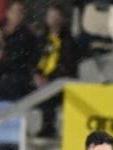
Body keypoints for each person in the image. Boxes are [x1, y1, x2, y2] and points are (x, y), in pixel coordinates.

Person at [32, 3, 78, 138]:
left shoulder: (68, 42)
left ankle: (48, 128)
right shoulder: (41, 39)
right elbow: (32, 61)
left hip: (59, 82)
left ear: (62, 19)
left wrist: (49, 79)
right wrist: (35, 75)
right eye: (50, 15)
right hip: (39, 80)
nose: (52, 19)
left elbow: (68, 67)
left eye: (55, 16)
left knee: (49, 92)